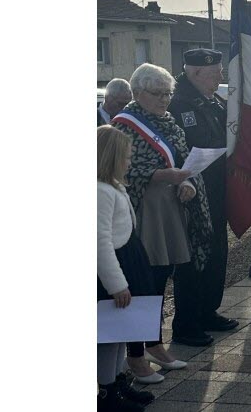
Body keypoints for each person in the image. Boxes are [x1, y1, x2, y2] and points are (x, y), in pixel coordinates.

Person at [113, 63, 214, 370]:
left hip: (171, 209)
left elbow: (183, 163)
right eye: (157, 93)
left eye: (168, 93)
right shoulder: (124, 126)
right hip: (144, 212)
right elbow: (119, 172)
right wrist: (158, 175)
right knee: (145, 281)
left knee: (162, 278)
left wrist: (186, 183)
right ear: (137, 92)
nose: (164, 99)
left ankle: (154, 343)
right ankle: (138, 351)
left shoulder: (170, 123)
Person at [167, 49, 239, 334]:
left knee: (217, 252)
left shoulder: (214, 101)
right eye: (215, 73)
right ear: (196, 73)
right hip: (192, 195)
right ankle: (187, 321)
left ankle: (208, 310)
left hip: (217, 191)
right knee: (193, 258)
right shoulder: (177, 103)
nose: (220, 77)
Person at [97, 125, 157, 411]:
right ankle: (106, 392)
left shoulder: (112, 186)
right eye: (126, 157)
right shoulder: (99, 192)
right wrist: (116, 284)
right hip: (115, 268)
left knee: (122, 330)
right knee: (109, 336)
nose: (129, 163)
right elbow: (99, 242)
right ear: (111, 157)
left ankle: (118, 381)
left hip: (128, 261)